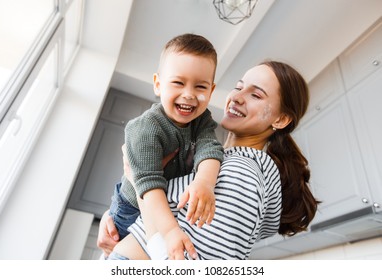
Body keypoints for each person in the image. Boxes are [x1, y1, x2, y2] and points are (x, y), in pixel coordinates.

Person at [98, 60, 320, 260]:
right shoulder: (213, 161)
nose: (237, 97)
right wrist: (115, 220)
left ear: (281, 119)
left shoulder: (241, 174)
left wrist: (139, 183)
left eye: (256, 95)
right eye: (239, 87)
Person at [106, 33, 224, 258]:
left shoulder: (202, 120)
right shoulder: (145, 128)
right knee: (117, 249)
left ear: (211, 91)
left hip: (163, 206)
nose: (189, 95)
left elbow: (210, 148)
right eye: (178, 83)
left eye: (200, 86)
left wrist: (205, 182)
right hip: (132, 205)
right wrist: (170, 231)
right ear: (158, 84)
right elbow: (149, 185)